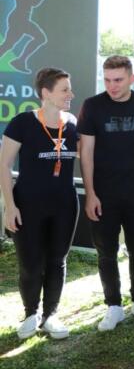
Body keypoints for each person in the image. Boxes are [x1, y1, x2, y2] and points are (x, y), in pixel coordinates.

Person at [78, 56, 134, 331]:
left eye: (118, 80)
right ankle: (113, 305)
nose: (112, 86)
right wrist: (90, 193)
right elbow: (86, 152)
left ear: (132, 79)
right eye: (107, 80)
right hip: (104, 192)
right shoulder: (92, 106)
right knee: (106, 251)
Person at [0, 68, 78, 339]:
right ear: (46, 93)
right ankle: (31, 314)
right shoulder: (22, 122)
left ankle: (50, 315)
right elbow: (4, 165)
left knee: (57, 261)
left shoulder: (73, 123)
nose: (71, 94)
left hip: (64, 205)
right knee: (31, 263)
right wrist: (10, 206)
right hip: (28, 204)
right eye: (65, 89)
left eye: (69, 89)